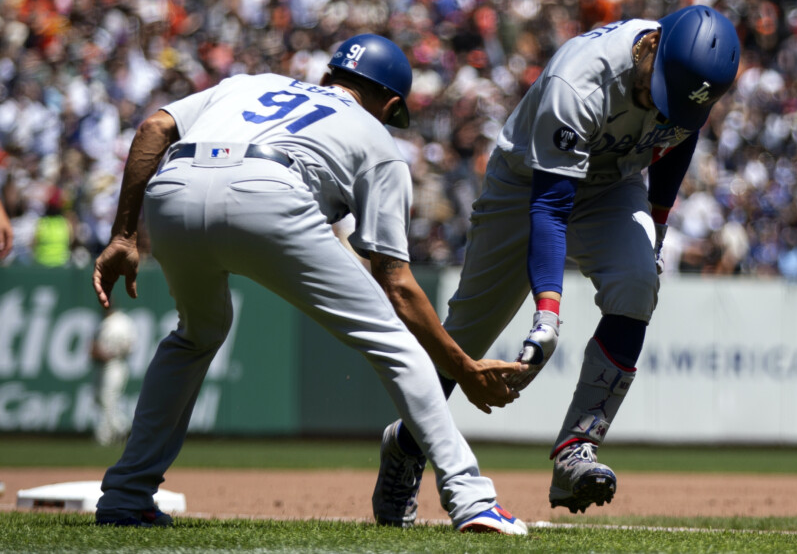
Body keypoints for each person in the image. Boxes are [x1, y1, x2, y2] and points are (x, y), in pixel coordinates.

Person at [91, 33, 529, 534]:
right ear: (389, 103)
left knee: (196, 334)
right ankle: (471, 499)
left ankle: (126, 496)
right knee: (393, 342)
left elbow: (153, 127)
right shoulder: (379, 139)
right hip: (268, 190)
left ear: (327, 78)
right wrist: (462, 366)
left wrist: (124, 233)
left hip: (174, 189)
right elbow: (399, 286)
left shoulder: (250, 84)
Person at [372, 5, 741, 524]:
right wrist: (547, 314)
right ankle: (407, 446)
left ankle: (577, 448)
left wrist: (655, 228)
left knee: (638, 283)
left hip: (614, 183)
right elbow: (550, 206)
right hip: (528, 181)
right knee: (469, 335)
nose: (658, 107)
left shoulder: (687, 86)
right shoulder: (582, 77)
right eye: (659, 92)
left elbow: (678, 142)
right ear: (652, 45)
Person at [90, 307, 137, 446]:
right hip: (104, 366)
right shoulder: (106, 322)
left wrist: (110, 353)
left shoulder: (120, 322)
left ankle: (122, 430)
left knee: (107, 399)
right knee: (101, 400)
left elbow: (129, 346)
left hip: (116, 364)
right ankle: (112, 433)